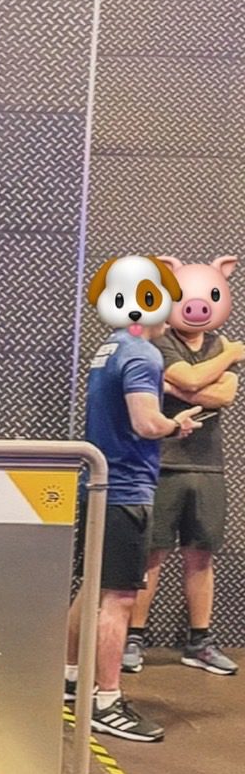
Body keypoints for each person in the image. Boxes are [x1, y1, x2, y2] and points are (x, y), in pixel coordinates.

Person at [65, 255, 201, 742]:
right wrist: (175, 424)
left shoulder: (112, 347)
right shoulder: (143, 354)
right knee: (120, 597)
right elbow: (145, 422)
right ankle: (106, 701)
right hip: (125, 489)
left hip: (102, 486)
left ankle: (71, 678)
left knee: (94, 587)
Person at [123, 259, 242, 677]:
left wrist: (182, 385)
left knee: (201, 555)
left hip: (208, 468)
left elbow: (225, 395)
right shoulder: (162, 340)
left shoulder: (217, 342)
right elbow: (190, 379)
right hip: (162, 463)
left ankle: (199, 642)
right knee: (151, 554)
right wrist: (229, 356)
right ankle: (133, 638)